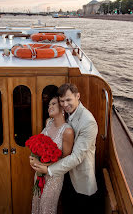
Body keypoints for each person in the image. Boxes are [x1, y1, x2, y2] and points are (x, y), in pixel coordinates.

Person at [31, 83, 98, 214]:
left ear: (77, 96)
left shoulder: (88, 121)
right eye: (62, 101)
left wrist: (48, 169)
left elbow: (77, 157)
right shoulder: (65, 114)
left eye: (68, 100)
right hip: (63, 177)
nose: (65, 104)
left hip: (80, 182)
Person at [30, 96, 74, 214]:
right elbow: (39, 145)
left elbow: (66, 160)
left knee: (46, 208)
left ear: (63, 108)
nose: (49, 107)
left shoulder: (67, 131)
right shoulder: (48, 123)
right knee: (36, 204)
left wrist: (46, 167)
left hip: (53, 177)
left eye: (53, 104)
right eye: (49, 105)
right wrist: (34, 158)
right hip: (39, 173)